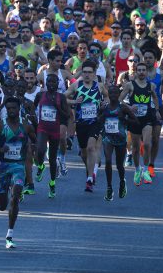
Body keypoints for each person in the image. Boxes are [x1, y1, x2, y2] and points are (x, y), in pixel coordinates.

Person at [0, 97, 34, 249]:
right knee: (2, 205)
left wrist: (33, 151)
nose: (11, 111)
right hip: (3, 167)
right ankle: (6, 200)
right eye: (9, 108)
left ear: (19, 110)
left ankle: (10, 234)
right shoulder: (1, 125)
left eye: (14, 108)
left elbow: (35, 140)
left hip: (18, 166)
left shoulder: (26, 126)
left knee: (16, 194)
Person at [65, 61, 108, 192]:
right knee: (84, 153)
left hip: (95, 122)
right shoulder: (76, 85)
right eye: (85, 72)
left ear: (94, 74)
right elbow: (62, 98)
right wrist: (74, 101)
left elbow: (107, 97)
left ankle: (89, 178)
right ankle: (89, 170)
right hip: (81, 124)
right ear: (82, 73)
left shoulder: (99, 86)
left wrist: (104, 105)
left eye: (90, 72)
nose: (87, 75)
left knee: (91, 147)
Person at [119, 62, 160, 187]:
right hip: (134, 120)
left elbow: (155, 97)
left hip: (147, 119)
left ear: (146, 72)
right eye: (139, 70)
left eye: (144, 70)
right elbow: (120, 100)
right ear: (136, 72)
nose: (142, 72)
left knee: (147, 144)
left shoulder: (151, 86)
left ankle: (146, 169)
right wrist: (130, 107)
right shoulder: (130, 85)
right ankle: (137, 169)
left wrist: (157, 111)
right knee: (136, 148)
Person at [33, 74, 69, 198]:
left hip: (55, 130)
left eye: (54, 82)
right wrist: (32, 119)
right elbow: (33, 108)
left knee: (53, 159)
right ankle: (41, 166)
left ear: (58, 83)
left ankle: (52, 183)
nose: (51, 84)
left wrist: (58, 108)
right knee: (40, 150)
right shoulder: (40, 95)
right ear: (45, 83)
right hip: (42, 128)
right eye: (49, 81)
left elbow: (67, 115)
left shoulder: (61, 97)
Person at [99, 85, 138, 201]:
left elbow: (136, 121)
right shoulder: (105, 108)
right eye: (111, 93)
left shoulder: (123, 108)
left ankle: (122, 181)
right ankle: (109, 187)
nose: (113, 95)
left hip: (121, 139)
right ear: (108, 95)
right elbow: (98, 120)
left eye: (115, 93)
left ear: (119, 94)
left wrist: (124, 119)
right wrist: (101, 116)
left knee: (119, 165)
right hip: (108, 139)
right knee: (108, 161)